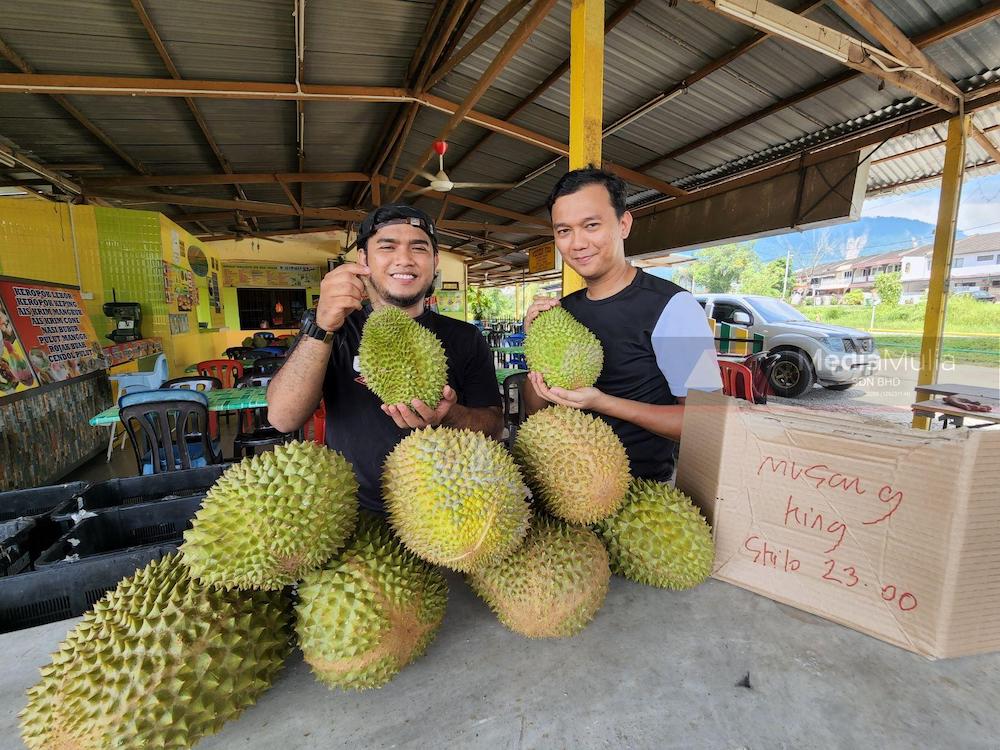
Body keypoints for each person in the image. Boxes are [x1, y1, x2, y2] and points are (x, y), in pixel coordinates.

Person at [267, 203, 503, 513]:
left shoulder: (466, 337)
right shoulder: (333, 330)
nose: (403, 259)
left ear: (434, 262)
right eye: (387, 246)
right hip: (353, 513)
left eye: (418, 248)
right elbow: (283, 419)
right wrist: (321, 326)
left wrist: (448, 414)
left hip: (447, 511)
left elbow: (495, 426)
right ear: (363, 259)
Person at [522, 167, 721, 482]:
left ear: (623, 224)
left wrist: (602, 402)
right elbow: (536, 410)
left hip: (640, 495)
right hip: (565, 486)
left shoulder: (676, 308)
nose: (577, 243)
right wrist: (533, 340)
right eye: (564, 231)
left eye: (591, 225)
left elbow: (706, 422)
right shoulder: (563, 311)